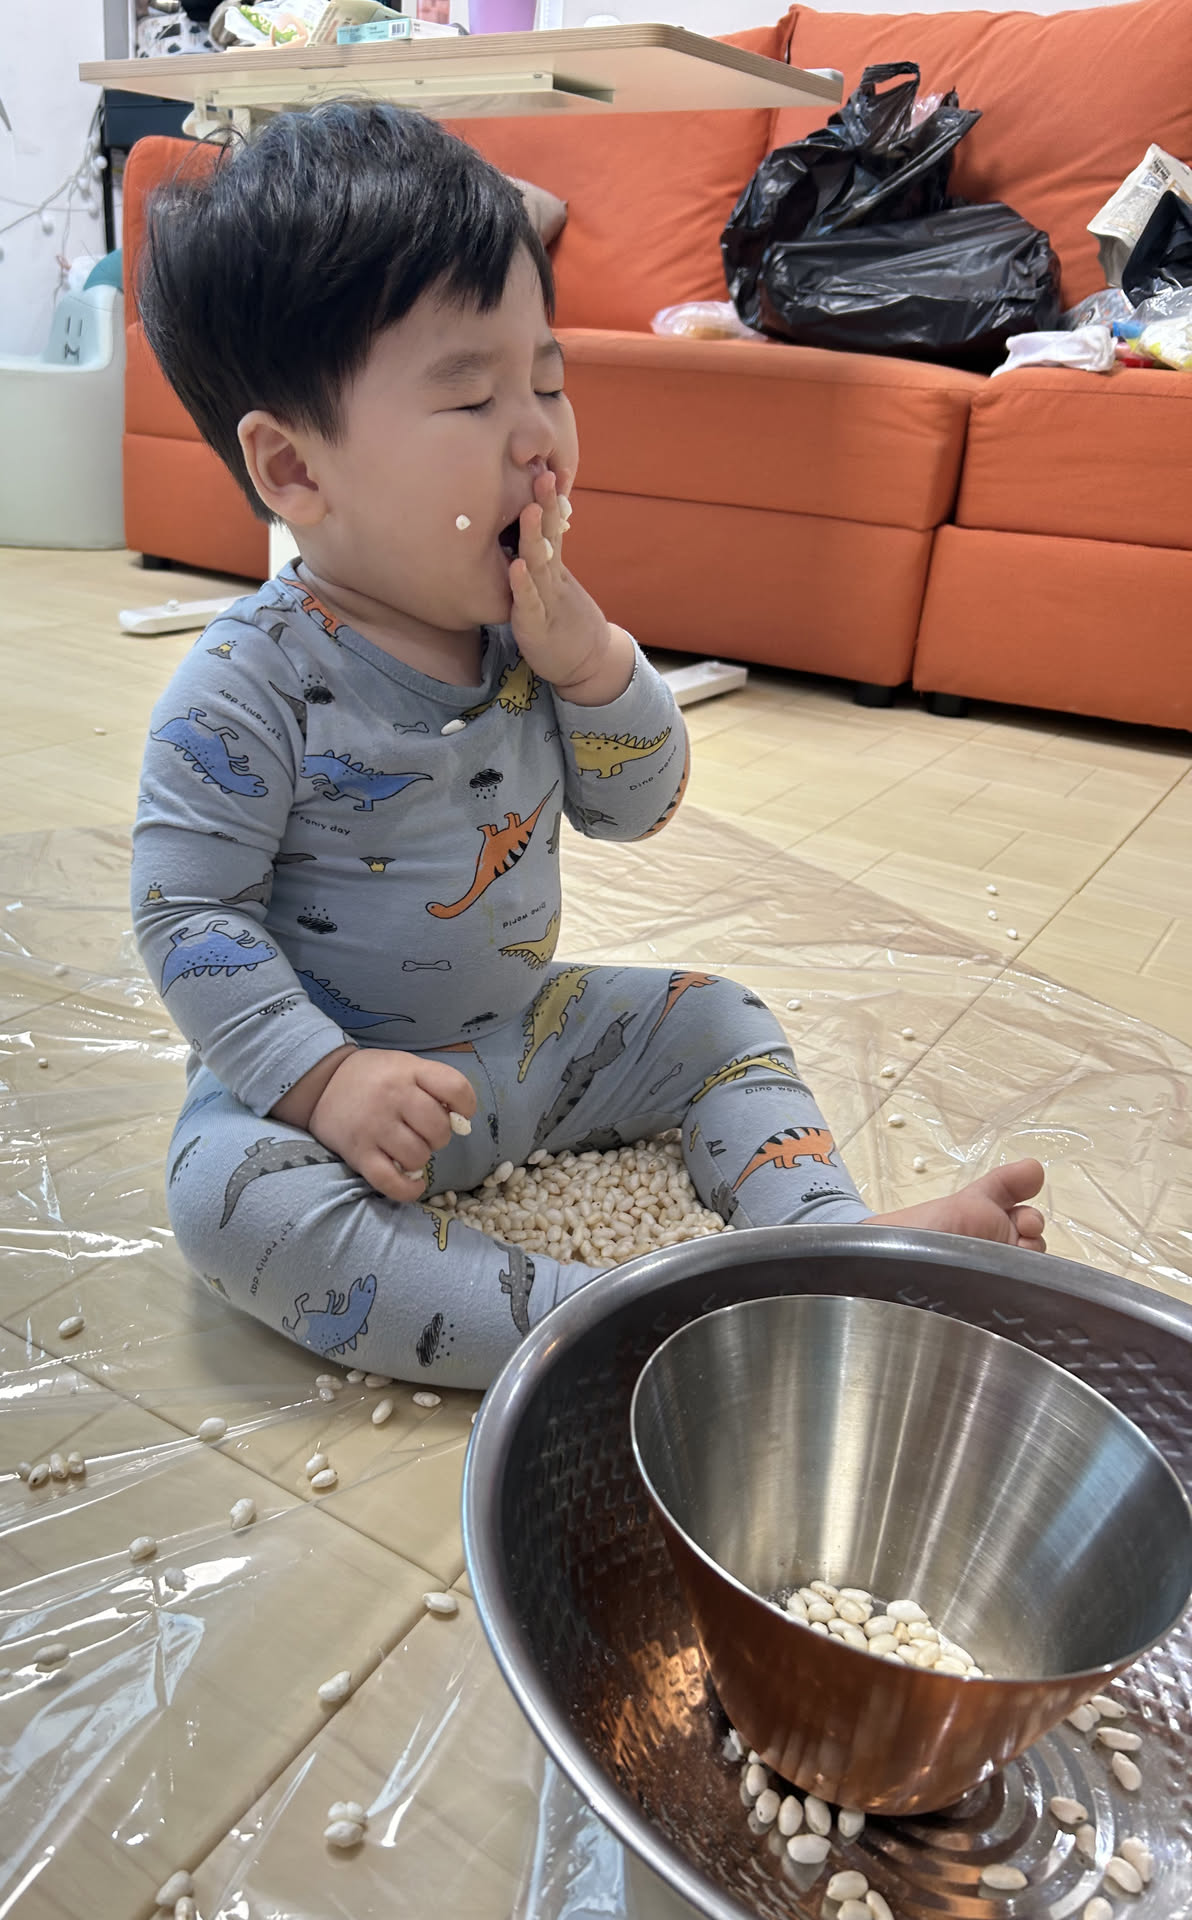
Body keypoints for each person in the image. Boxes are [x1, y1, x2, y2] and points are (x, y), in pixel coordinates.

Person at [130, 101, 1046, 1388]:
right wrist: (323, 1080)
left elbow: (635, 804)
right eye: (471, 395)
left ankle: (824, 1247)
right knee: (232, 1203)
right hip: (343, 1102)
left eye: (549, 382)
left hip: (523, 1042)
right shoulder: (244, 685)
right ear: (294, 471)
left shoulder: (533, 631)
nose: (538, 435)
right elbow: (188, 914)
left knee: (717, 1017)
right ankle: (640, 1315)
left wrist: (595, 666)